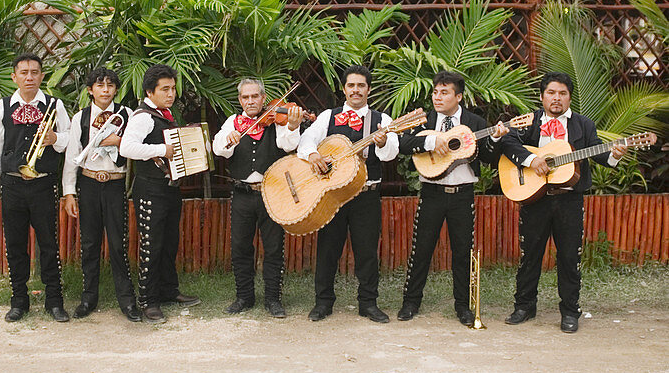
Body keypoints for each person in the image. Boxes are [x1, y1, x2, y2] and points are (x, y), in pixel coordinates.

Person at [498, 72, 628, 333]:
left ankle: (570, 311)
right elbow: (508, 140)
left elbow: (600, 154)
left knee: (569, 257)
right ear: (542, 95)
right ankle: (524, 306)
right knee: (529, 255)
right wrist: (531, 160)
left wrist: (614, 154)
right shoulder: (529, 121)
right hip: (535, 199)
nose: (556, 98)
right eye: (551, 93)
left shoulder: (583, 125)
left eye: (562, 93)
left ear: (570, 97)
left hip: (569, 200)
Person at [397, 71, 504, 325]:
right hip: (431, 193)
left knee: (462, 251)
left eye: (444, 92)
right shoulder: (424, 120)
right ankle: (411, 302)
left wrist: (497, 137)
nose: (437, 97)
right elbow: (402, 143)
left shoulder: (475, 123)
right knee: (420, 249)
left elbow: (489, 157)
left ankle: (463, 306)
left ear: (459, 96)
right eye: (435, 92)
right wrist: (430, 142)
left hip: (462, 194)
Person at [297, 64, 399, 323]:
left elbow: (392, 154)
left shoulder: (382, 120)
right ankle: (323, 303)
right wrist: (314, 154)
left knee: (366, 251)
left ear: (368, 89)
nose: (356, 90)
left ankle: (368, 303)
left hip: (367, 195)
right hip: (334, 195)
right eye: (351, 85)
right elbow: (306, 139)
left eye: (361, 85)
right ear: (344, 89)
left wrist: (384, 142)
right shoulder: (327, 117)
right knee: (328, 249)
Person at [0, 52, 71, 322]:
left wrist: (55, 137)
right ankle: (19, 300)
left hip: (44, 185)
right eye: (24, 72)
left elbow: (71, 138)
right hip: (12, 185)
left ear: (42, 76)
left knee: (49, 244)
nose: (30, 77)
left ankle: (54, 301)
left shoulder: (54, 105)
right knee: (15, 245)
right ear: (14, 77)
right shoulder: (3, 106)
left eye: (35, 72)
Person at [212, 78, 302, 317]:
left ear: (263, 98)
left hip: (272, 193)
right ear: (240, 100)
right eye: (245, 97)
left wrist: (292, 126)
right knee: (240, 246)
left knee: (273, 247)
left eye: (255, 96)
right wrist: (229, 139)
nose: (250, 101)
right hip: (242, 193)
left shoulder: (277, 120)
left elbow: (287, 145)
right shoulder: (233, 121)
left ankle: (273, 299)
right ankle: (244, 297)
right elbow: (218, 148)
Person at [119, 64, 200, 324]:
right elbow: (127, 148)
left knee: (168, 242)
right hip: (150, 189)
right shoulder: (143, 116)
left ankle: (168, 290)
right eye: (165, 89)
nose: (171, 93)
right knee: (151, 246)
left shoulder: (164, 114)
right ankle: (148, 300)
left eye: (173, 88)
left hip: (168, 188)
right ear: (149, 91)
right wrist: (160, 150)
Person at [62, 67, 140, 322]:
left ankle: (127, 301)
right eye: (99, 85)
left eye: (110, 85)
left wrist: (119, 142)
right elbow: (72, 156)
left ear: (116, 89)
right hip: (89, 185)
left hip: (116, 185)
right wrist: (69, 193)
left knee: (119, 244)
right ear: (90, 90)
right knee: (90, 244)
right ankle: (88, 298)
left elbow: (137, 146)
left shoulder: (127, 114)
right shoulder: (80, 118)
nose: (105, 90)